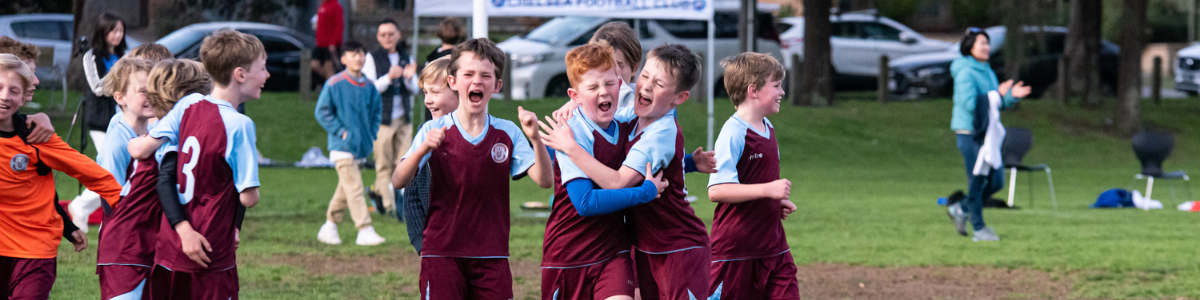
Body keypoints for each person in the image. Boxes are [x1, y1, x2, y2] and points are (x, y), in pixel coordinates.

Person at [540, 44, 711, 299]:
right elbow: (599, 95)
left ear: (679, 97)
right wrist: (574, 100)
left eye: (660, 84)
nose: (646, 86)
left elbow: (619, 181)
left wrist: (571, 148)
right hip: (644, 245)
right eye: (645, 75)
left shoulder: (661, 132)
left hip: (677, 245)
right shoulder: (630, 116)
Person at [391, 38, 555, 299]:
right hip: (442, 252)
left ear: (497, 85)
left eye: (485, 75)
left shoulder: (508, 132)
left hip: (492, 256)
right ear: (453, 82)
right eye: (468, 74)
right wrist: (421, 151)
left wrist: (535, 139)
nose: (477, 81)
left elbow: (545, 181)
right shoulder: (433, 130)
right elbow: (398, 180)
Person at [130, 29, 265, 299]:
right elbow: (248, 196)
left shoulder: (188, 104)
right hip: (209, 249)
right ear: (240, 74)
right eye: (262, 68)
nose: (267, 75)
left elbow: (141, 148)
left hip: (171, 243)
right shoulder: (239, 124)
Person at [0, 53, 120, 299]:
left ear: (24, 96)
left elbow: (91, 172)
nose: (4, 96)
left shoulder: (35, 136)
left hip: (34, 251)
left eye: (13, 90)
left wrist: (130, 212)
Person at [706, 52, 799, 299]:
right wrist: (768, 191)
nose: (782, 92)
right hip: (736, 251)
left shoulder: (768, 128)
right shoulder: (733, 132)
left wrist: (773, 202)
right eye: (776, 85)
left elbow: (754, 183)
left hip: (773, 247)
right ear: (753, 90)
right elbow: (717, 190)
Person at [947, 27, 1030, 242]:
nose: (987, 47)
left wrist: (1010, 96)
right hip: (970, 134)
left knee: (996, 182)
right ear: (969, 47)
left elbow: (995, 104)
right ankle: (979, 230)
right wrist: (998, 94)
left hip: (988, 135)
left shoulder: (987, 70)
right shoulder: (965, 72)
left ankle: (961, 208)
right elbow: (970, 104)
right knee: (976, 180)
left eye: (987, 43)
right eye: (982, 43)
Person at [91, 57, 156, 300]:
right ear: (120, 98)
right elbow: (112, 201)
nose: (151, 96)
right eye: (143, 91)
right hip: (124, 248)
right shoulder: (117, 143)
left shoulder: (151, 133)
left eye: (155, 89)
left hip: (148, 242)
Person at [314, 41, 387, 246]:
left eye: (361, 54)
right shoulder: (334, 83)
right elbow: (322, 112)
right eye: (353, 54)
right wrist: (341, 132)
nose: (358, 58)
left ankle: (329, 226)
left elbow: (376, 114)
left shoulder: (370, 86)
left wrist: (371, 135)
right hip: (341, 148)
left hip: (361, 148)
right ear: (344, 59)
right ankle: (364, 229)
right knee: (355, 188)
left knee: (346, 190)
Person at [73, 11, 128, 231]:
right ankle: (81, 206)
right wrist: (119, 78)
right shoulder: (92, 56)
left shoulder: (124, 55)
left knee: (114, 169)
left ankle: (83, 207)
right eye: (114, 30)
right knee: (110, 170)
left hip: (122, 118)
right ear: (103, 31)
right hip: (99, 120)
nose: (118, 35)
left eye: (121, 30)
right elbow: (96, 86)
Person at [363, 18, 418, 216]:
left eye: (391, 34)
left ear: (398, 35)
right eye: (383, 35)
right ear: (378, 37)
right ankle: (387, 205)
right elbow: (369, 90)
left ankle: (402, 205)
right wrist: (389, 77)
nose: (387, 38)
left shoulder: (407, 57)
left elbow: (416, 89)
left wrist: (410, 78)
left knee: (404, 163)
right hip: (382, 120)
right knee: (383, 164)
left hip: (403, 118)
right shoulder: (372, 58)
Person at [401, 56, 456, 254]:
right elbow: (411, 194)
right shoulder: (424, 134)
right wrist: (420, 241)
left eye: (435, 92)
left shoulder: (484, 135)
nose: (427, 100)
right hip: (434, 245)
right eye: (425, 92)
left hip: (474, 246)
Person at [0, 37, 59, 146]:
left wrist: (36, 117)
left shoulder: (26, 127)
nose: (36, 81)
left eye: (34, 71)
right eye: (27, 72)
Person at [312, 0, 344, 81]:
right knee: (314, 65)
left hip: (330, 44)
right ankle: (335, 81)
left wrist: (333, 42)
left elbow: (338, 26)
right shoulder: (322, 5)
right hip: (320, 44)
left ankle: (332, 87)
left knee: (328, 68)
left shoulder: (336, 6)